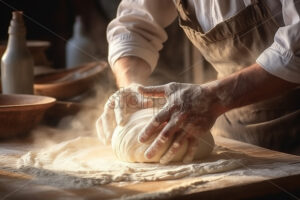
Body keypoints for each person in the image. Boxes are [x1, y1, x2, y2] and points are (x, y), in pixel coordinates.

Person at [96, 0, 300, 164]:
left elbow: (296, 50)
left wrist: (215, 97)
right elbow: (134, 27)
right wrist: (132, 86)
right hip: (234, 133)